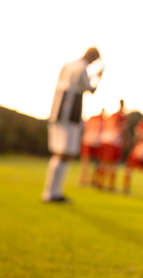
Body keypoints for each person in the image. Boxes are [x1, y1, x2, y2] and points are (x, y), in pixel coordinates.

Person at [42, 47, 103, 203]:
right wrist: (97, 78)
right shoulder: (82, 69)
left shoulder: (69, 65)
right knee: (64, 154)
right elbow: (90, 88)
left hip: (57, 111)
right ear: (92, 57)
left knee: (59, 154)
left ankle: (52, 192)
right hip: (69, 114)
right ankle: (52, 194)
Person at [98, 99, 127, 191]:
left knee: (104, 162)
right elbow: (123, 129)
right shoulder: (121, 116)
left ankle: (100, 182)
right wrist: (126, 139)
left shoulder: (111, 116)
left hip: (106, 140)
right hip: (114, 141)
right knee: (113, 164)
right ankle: (110, 185)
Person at [79, 109, 105, 186]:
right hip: (94, 141)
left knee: (89, 162)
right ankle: (86, 179)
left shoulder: (93, 118)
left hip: (89, 140)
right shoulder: (102, 120)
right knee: (93, 162)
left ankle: (88, 179)